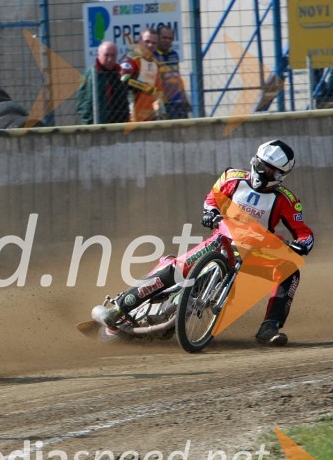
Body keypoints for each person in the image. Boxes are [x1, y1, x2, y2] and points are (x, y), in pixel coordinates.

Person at [93, 140, 314, 346]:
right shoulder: (231, 178)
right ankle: (119, 309)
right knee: (177, 267)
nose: (261, 170)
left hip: (255, 254)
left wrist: (302, 244)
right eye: (259, 164)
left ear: (280, 174)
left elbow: (303, 232)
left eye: (269, 169)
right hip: (221, 241)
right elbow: (212, 199)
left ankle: (269, 327)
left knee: (290, 271)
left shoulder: (287, 200)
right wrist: (210, 212)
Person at [76, 41, 130, 125]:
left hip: (119, 124)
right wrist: (91, 123)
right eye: (106, 55)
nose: (110, 58)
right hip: (99, 125)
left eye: (113, 55)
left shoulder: (120, 73)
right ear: (98, 55)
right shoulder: (91, 74)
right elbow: (82, 103)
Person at [119, 28, 165, 122]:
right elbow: (123, 78)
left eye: (154, 43)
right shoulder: (132, 58)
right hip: (133, 117)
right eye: (147, 41)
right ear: (139, 41)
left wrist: (161, 111)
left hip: (150, 117)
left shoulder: (156, 63)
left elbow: (158, 91)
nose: (150, 45)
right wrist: (143, 87)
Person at [155, 25, 191, 120]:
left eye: (170, 38)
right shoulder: (152, 56)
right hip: (163, 104)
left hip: (178, 102)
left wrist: (184, 99)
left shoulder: (174, 55)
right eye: (164, 37)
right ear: (158, 37)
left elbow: (178, 77)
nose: (167, 41)